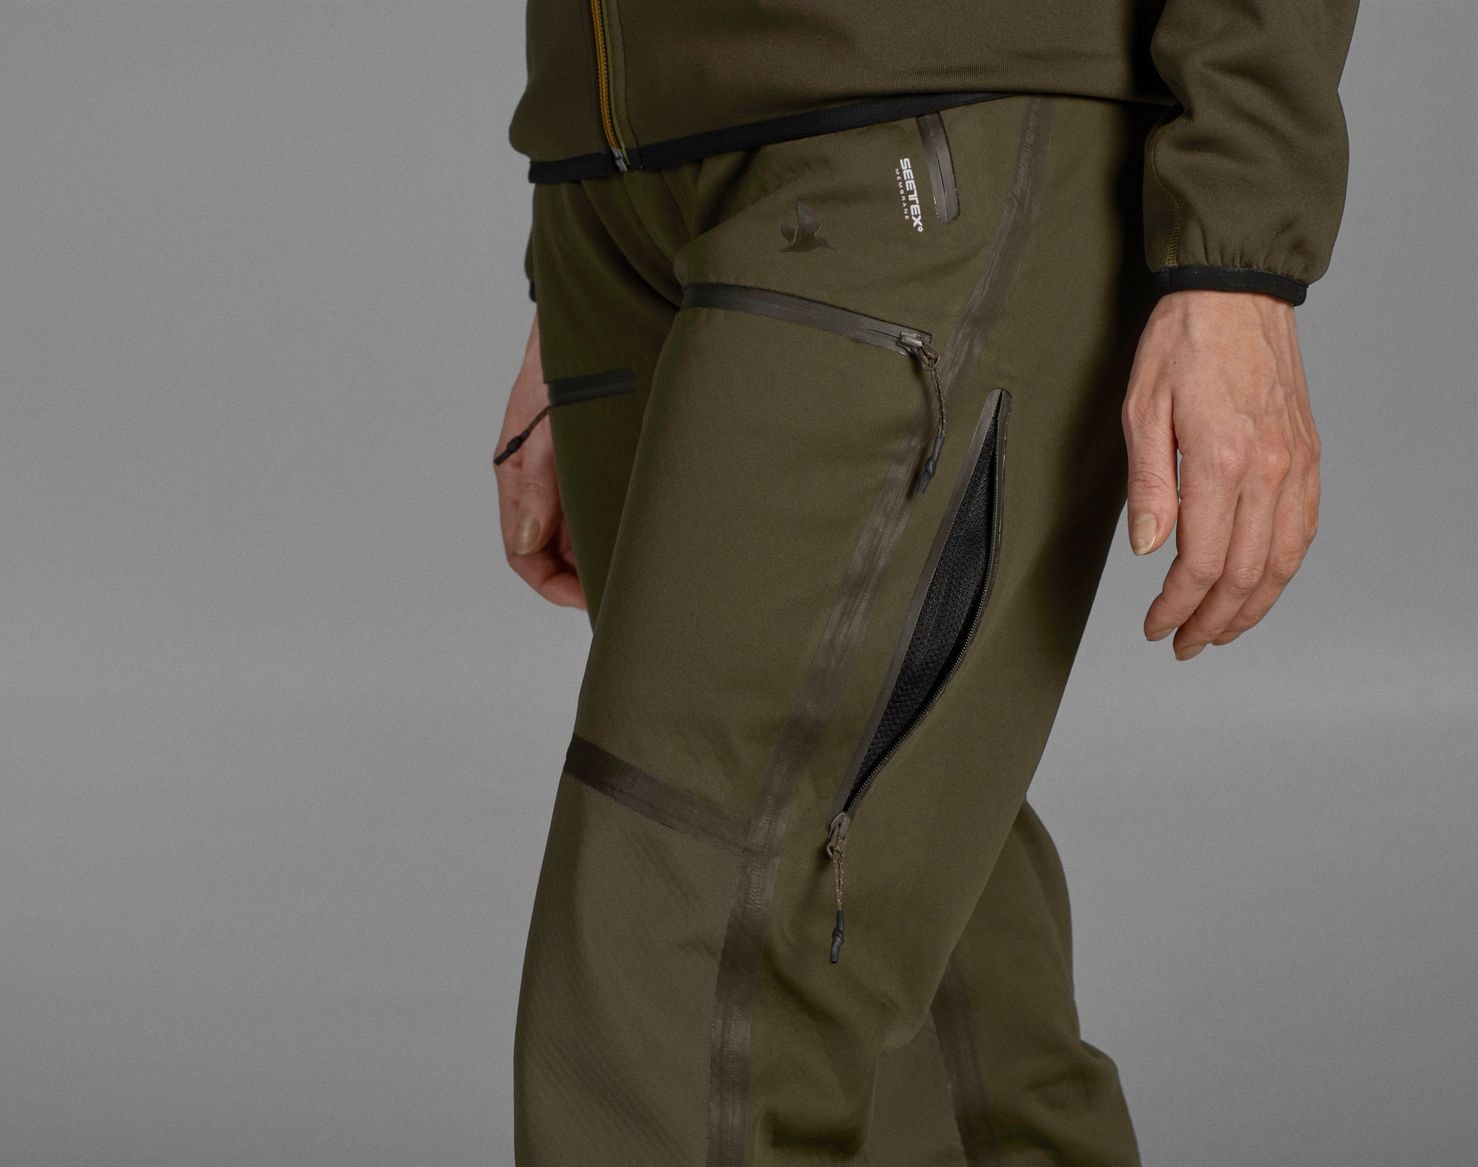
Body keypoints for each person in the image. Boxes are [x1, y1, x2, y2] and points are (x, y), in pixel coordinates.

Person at [490, 0, 1359, 1161]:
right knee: (887, 899)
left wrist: (1238, 254)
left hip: (918, 129)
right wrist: (572, 245)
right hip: (618, 179)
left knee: (690, 943)